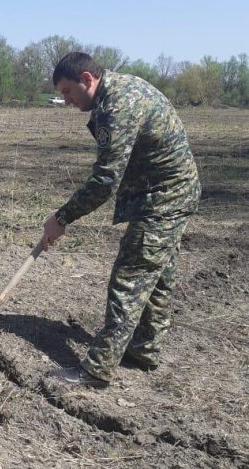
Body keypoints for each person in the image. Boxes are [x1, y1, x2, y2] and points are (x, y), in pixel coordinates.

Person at [42, 52, 201, 389]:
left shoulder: (117, 106)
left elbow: (105, 181)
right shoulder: (121, 89)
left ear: (87, 79)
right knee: (157, 277)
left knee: (129, 279)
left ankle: (96, 370)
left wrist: (62, 217)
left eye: (69, 91)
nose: (67, 101)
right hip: (171, 193)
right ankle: (143, 350)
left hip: (164, 198)